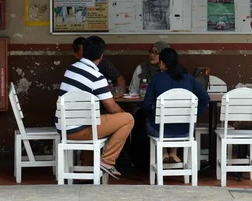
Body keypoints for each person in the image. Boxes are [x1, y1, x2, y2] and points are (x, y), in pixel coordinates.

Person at [55, 36, 134, 178]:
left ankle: (88, 165)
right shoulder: (96, 77)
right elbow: (112, 108)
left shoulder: (70, 69)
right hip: (80, 131)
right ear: (101, 56)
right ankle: (107, 161)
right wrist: (121, 116)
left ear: (83, 52)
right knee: (128, 119)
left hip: (64, 128)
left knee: (93, 119)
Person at [142, 47, 210, 163]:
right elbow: (205, 98)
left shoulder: (156, 79)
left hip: (160, 130)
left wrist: (153, 115)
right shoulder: (189, 78)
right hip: (186, 129)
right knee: (179, 124)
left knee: (149, 123)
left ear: (162, 63)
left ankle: (164, 152)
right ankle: (173, 152)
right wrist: (193, 117)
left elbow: (146, 106)